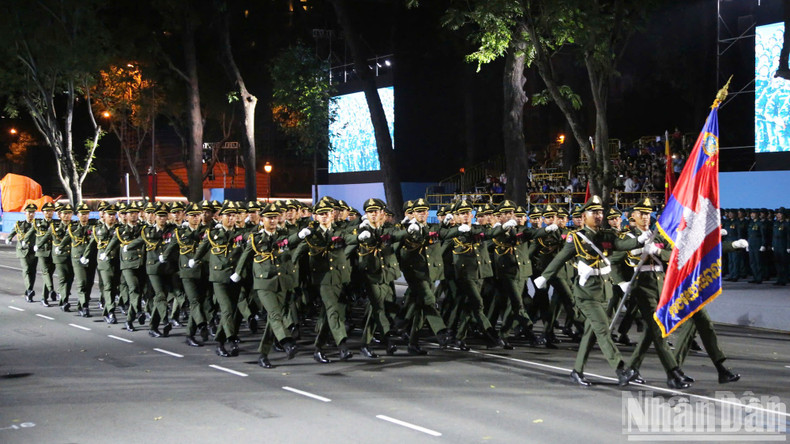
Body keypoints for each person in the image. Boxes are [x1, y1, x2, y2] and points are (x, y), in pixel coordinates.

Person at [534, 195, 647, 387]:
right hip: (586, 292)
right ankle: (621, 369)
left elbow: (622, 245)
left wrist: (640, 240)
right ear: (584, 215)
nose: (598, 215)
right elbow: (560, 258)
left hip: (603, 290)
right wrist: (544, 276)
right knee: (603, 329)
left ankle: (577, 371)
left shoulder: (606, 235)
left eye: (600, 212)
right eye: (594, 212)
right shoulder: (577, 238)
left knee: (591, 332)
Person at [232, 203, 298, 368]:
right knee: (275, 315)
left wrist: (303, 235)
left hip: (281, 282)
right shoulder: (256, 238)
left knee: (272, 320)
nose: (273, 221)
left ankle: (263, 354)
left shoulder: (283, 235)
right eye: (270, 218)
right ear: (262, 219)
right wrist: (238, 272)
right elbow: (246, 256)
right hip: (263, 284)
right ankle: (287, 341)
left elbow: (292, 240)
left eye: (275, 217)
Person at [290, 198, 355, 363]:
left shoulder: (339, 231)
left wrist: (361, 236)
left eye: (326, 213)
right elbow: (298, 251)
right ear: (315, 217)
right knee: (333, 310)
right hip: (323, 278)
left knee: (329, 313)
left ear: (332, 214)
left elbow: (350, 239)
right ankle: (343, 346)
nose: (324, 217)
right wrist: (291, 270)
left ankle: (318, 348)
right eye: (320, 214)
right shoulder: (312, 234)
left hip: (340, 277)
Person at [24, 202, 57, 306]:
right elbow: (29, 234)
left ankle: (44, 297)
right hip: (42, 251)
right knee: (45, 272)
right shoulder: (37, 223)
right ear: (43, 212)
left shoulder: (56, 223)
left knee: (49, 274)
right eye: (47, 211)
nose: (49, 213)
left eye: (51, 211)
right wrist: (25, 242)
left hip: (53, 252)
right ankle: (51, 290)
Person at [7, 203, 38, 302]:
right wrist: (9, 239)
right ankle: (29, 290)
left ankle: (29, 289)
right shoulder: (19, 224)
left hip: (34, 251)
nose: (31, 214)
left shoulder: (38, 224)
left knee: (33, 271)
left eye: (33, 212)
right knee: (26, 269)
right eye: (29, 212)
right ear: (25, 213)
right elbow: (12, 233)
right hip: (23, 251)